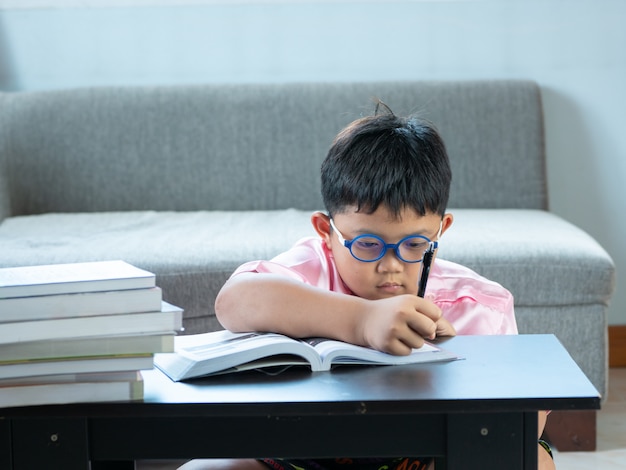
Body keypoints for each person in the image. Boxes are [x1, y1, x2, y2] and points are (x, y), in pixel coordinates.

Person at [178, 103, 555, 470]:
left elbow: (521, 421)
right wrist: (363, 320)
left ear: (442, 231)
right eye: (368, 245)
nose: (390, 266)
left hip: (425, 455)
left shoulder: (476, 304)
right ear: (327, 232)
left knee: (527, 457)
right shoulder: (312, 268)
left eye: (415, 245)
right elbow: (234, 301)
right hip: (299, 452)